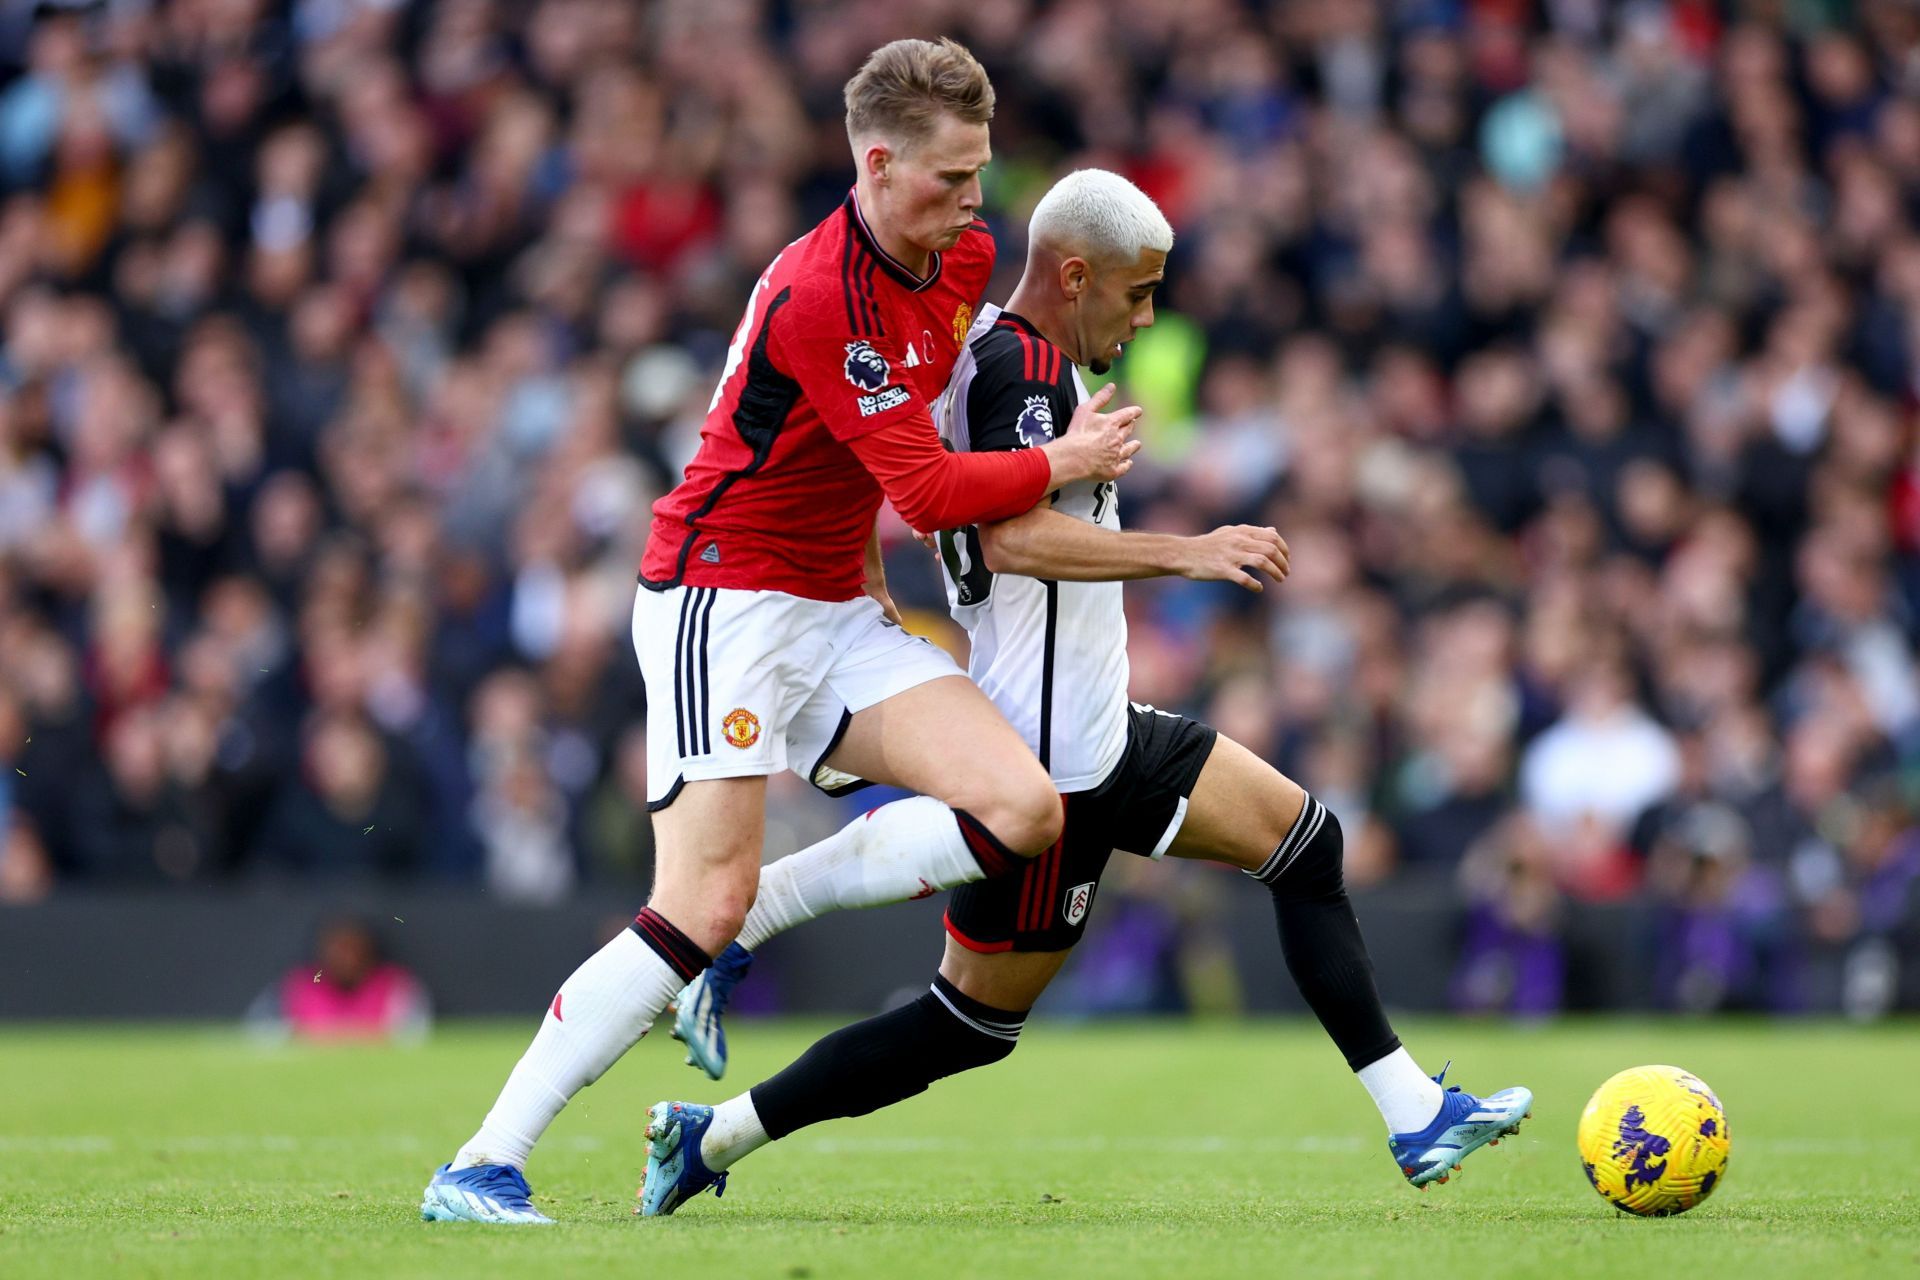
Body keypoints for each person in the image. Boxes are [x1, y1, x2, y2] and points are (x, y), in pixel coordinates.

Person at [638, 171, 1532, 1216]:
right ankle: (713, 1125)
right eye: (1137, 292)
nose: (1148, 315)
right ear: (1075, 275)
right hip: (1049, 765)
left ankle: (1415, 1111)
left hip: (1104, 733)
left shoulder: (1017, 360)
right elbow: (1011, 537)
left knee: (1307, 844)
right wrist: (1186, 552)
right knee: (962, 1027)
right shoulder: (1019, 367)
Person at [421, 38, 1142, 1225]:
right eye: (955, 175)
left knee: (1024, 809)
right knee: (693, 897)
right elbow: (924, 490)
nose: (978, 203)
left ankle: (750, 916)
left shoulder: (957, 256)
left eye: (983, 172)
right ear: (877, 162)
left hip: (830, 602)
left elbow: (863, 464)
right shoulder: (821, 294)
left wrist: (862, 581)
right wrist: (1060, 462)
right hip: (723, 597)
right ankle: (483, 1159)